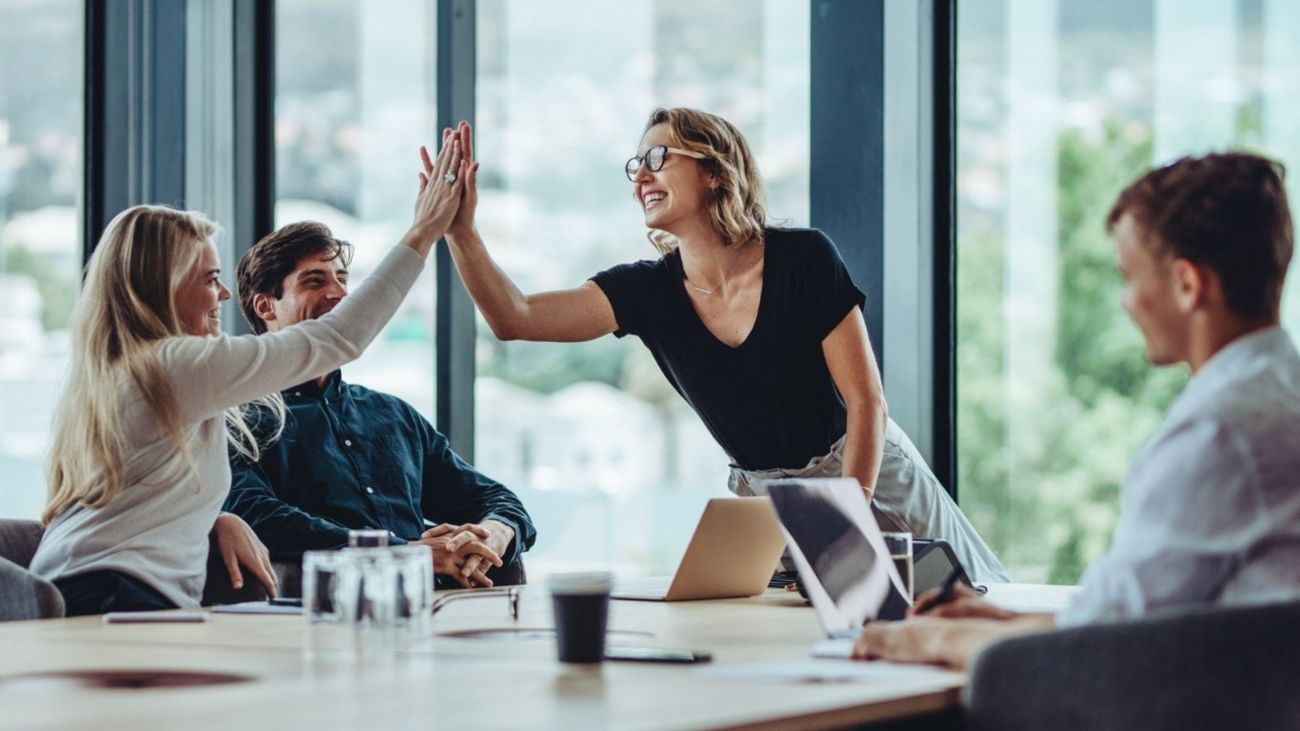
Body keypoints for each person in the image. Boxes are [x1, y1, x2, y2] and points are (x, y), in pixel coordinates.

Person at [436, 107, 1007, 582]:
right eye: (636, 164)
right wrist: (461, 232)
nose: (641, 176)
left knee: (969, 605)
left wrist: (844, 515)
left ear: (715, 171)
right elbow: (516, 317)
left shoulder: (804, 258)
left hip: (867, 473)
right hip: (767, 505)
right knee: (808, 645)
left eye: (660, 157)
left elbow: (867, 404)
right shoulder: (646, 291)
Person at [853, 151, 1300, 669]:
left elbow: (1102, 648)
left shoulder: (1219, 433)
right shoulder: (1277, 395)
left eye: (1130, 278)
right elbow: (1130, 615)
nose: (1125, 302)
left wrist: (927, 641)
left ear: (1186, 285)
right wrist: (999, 621)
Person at [28, 137, 468, 615]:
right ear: (161, 287)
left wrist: (216, 518)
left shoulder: (124, 370)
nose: (222, 296)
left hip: (84, 586)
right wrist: (423, 233)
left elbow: (138, 495)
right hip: (112, 594)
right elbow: (336, 340)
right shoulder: (172, 365)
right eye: (207, 279)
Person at [224, 221, 536, 589]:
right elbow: (255, 514)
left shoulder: (392, 414)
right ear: (266, 306)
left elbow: (494, 498)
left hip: (435, 613)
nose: (340, 293)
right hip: (318, 616)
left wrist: (493, 533)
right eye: (314, 281)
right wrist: (402, 552)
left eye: (342, 279)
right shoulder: (236, 419)